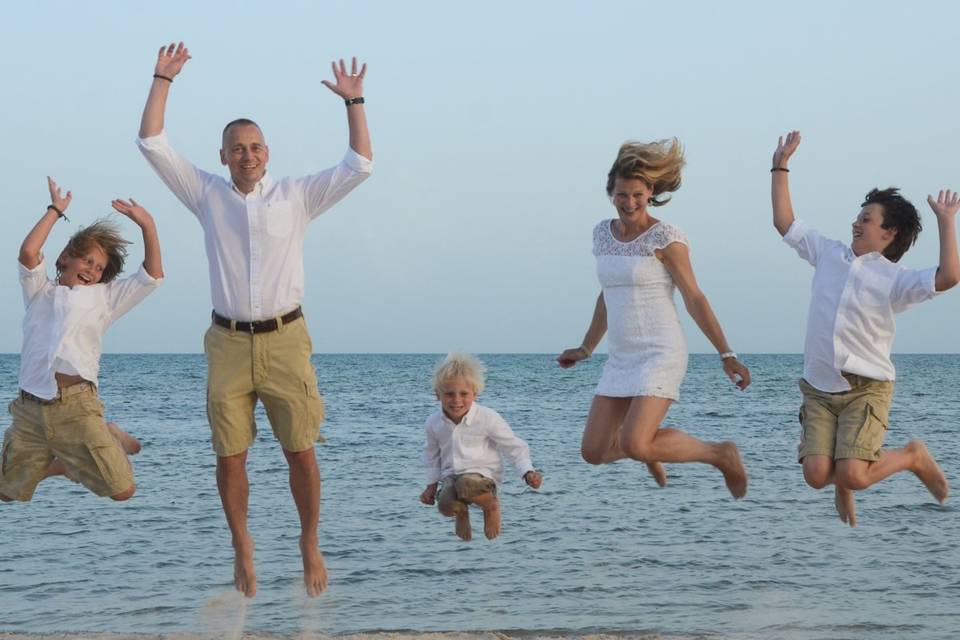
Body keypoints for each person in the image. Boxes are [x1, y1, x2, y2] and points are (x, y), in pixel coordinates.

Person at [136, 42, 372, 597]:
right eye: (237, 148)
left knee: (302, 451)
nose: (247, 155)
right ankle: (242, 544)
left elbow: (360, 164)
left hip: (287, 338)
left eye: (256, 147)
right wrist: (162, 79)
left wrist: (354, 100)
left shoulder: (297, 196)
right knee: (230, 455)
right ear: (223, 156)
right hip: (227, 341)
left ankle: (308, 539)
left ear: (268, 152)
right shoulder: (206, 194)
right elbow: (151, 142)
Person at [771, 130, 953, 527]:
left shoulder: (896, 279)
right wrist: (780, 165)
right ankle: (842, 479)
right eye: (858, 215)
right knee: (816, 475)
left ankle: (912, 456)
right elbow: (784, 221)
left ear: (889, 234)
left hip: (866, 387)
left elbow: (948, 276)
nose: (857, 222)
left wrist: (946, 223)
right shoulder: (828, 253)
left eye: (867, 219)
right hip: (819, 388)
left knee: (854, 473)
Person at [557, 139, 750, 499]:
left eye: (637, 195)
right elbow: (608, 294)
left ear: (651, 193)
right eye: (621, 195)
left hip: (660, 351)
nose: (629, 203)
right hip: (622, 355)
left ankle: (720, 454)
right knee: (593, 452)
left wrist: (727, 354)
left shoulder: (666, 238)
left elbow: (695, 297)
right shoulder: (602, 234)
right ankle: (647, 449)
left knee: (634, 441)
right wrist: (586, 347)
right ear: (610, 193)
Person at [0, 177, 163, 503]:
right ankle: (66, 465)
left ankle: (108, 436)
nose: (92, 270)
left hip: (77, 407)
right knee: (5, 492)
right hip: (30, 410)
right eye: (87, 260)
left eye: (100, 268)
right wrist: (55, 211)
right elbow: (28, 251)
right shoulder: (39, 291)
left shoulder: (104, 299)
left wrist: (148, 225)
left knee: (123, 491)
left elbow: (152, 276)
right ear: (65, 259)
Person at [419, 353, 543, 541]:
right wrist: (431, 486)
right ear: (437, 394)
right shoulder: (434, 423)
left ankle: (491, 506)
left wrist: (527, 472)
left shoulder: (487, 417)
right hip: (451, 477)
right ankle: (461, 513)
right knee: (444, 505)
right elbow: (432, 456)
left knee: (466, 483)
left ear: (475, 393)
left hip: (481, 476)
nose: (456, 400)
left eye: (464, 394)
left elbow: (512, 447)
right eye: (449, 394)